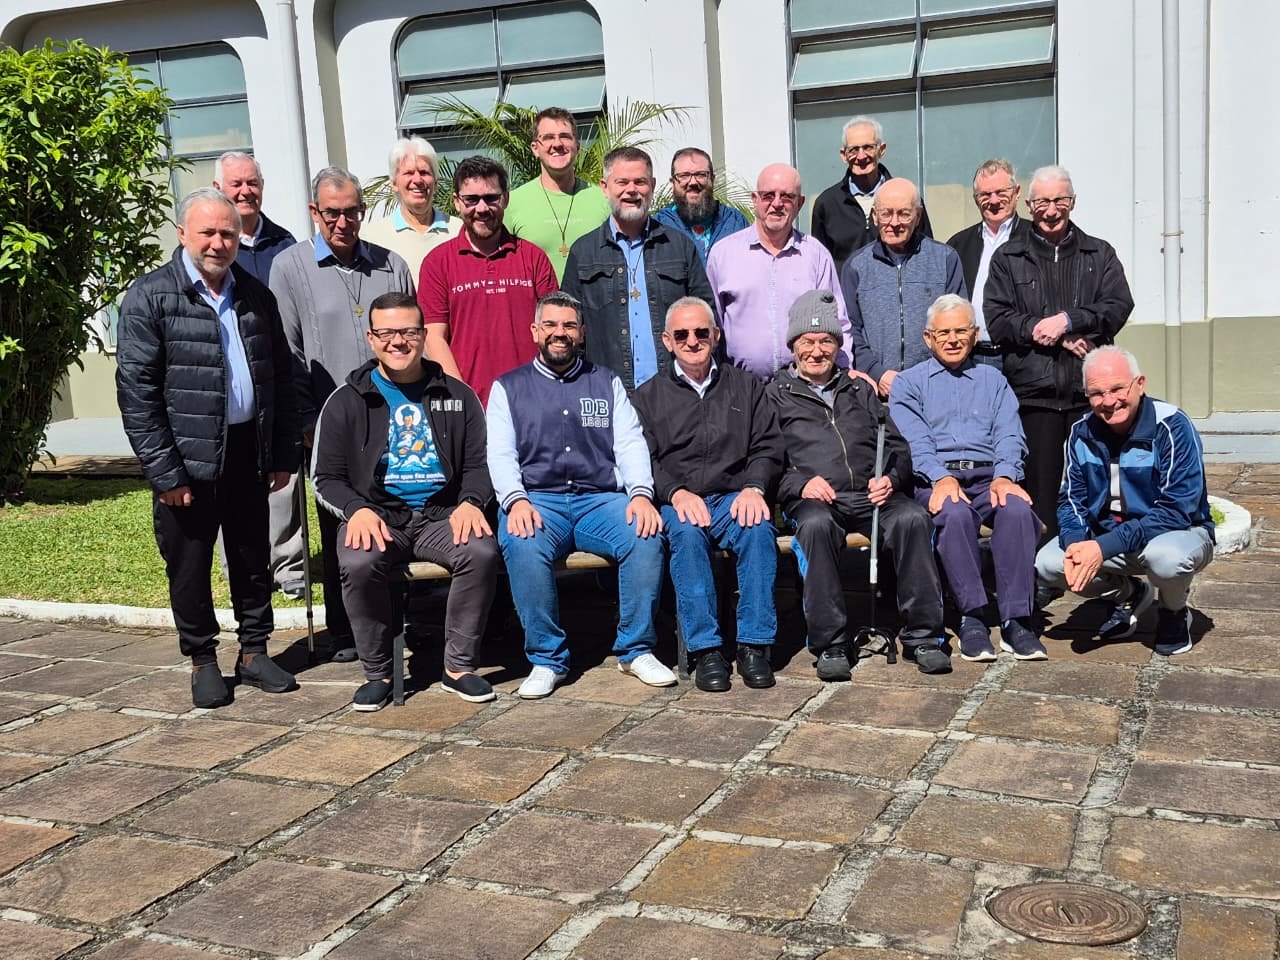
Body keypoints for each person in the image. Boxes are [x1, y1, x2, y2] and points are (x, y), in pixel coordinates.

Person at [116, 187, 300, 708]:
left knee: (251, 555)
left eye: (228, 233)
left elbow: (279, 377)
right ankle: (202, 659)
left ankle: (254, 650)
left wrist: (282, 451)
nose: (219, 242)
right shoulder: (151, 296)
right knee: (190, 563)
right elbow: (137, 393)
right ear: (182, 234)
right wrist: (165, 472)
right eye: (208, 232)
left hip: (248, 450)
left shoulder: (254, 294)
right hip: (186, 458)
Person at [313, 292, 499, 711]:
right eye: (387, 333)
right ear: (371, 338)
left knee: (482, 551)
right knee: (359, 561)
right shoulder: (346, 399)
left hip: (441, 515)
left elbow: (480, 463)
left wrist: (471, 501)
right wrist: (355, 510)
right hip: (378, 516)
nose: (398, 341)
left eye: (409, 332)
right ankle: (377, 672)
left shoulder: (457, 394)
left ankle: (458, 668)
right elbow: (326, 477)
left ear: (423, 335)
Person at [487, 291, 675, 698]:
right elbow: (500, 454)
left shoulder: (606, 382)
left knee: (645, 534)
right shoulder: (508, 387)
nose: (561, 333)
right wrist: (515, 500)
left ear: (582, 332)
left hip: (599, 500)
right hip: (538, 500)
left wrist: (641, 495)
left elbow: (629, 444)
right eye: (551, 325)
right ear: (535, 331)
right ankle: (546, 658)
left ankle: (635, 649)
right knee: (521, 542)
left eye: (569, 325)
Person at [271, 166, 415, 662]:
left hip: (393, 414)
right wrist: (307, 420)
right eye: (332, 213)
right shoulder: (290, 268)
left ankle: (400, 617)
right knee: (340, 521)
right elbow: (287, 352)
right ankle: (347, 630)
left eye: (351, 211)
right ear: (315, 213)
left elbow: (409, 338)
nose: (343, 221)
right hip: (329, 419)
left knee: (396, 509)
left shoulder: (390, 264)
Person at [768, 290, 950, 678]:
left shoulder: (859, 388)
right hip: (818, 500)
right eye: (808, 342)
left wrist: (892, 478)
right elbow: (765, 459)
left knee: (913, 519)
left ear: (837, 345)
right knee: (815, 529)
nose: (817, 351)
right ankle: (830, 643)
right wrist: (799, 485)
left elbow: (898, 447)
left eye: (826, 341)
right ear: (793, 346)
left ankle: (924, 636)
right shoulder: (775, 395)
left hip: (873, 496)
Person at [631, 297, 783, 692]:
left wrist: (754, 487)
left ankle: (754, 645)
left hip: (734, 496)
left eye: (701, 332)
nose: (692, 340)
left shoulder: (746, 387)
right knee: (684, 532)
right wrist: (675, 493)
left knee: (758, 527)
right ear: (667, 341)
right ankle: (706, 649)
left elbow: (767, 446)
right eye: (682, 334)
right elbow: (641, 457)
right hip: (680, 500)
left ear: (716, 335)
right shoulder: (647, 397)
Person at [889, 294, 1044, 662]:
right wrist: (941, 478)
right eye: (943, 333)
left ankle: (1016, 618)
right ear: (928, 338)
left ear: (974, 335)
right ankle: (971, 615)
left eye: (961, 331)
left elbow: (1010, 433)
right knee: (955, 514)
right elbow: (915, 441)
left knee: (1018, 511)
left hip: (990, 475)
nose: (953, 339)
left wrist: (1006, 475)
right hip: (936, 479)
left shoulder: (993, 380)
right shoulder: (909, 384)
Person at [985, 164, 1135, 544]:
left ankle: (1103, 566)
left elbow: (1118, 305)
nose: (1051, 210)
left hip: (1090, 396)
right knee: (1040, 492)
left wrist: (1071, 320)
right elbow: (999, 320)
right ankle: (1045, 569)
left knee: (1098, 488)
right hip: (1033, 396)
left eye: (1060, 201)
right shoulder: (1008, 257)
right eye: (1043, 202)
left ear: (1072, 202)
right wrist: (1049, 333)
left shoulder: (1098, 254)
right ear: (1029, 204)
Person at [1034, 346, 1214, 656]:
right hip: (1107, 537)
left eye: (1118, 388)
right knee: (1049, 564)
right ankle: (1128, 593)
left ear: (1140, 384)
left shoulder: (1172, 426)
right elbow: (1071, 501)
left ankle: (1173, 611)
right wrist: (1078, 544)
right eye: (1096, 393)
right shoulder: (1081, 432)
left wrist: (1101, 548)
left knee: (1167, 559)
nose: (1108, 401)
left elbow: (1176, 510)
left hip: (1175, 533)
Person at [212, 151, 304, 599]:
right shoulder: (211, 245)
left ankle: (288, 563)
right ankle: (239, 564)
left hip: (274, 373)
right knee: (232, 481)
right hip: (229, 380)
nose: (245, 191)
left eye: (252, 183)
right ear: (219, 191)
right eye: (236, 185)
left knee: (281, 477)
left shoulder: (284, 244)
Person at [562, 146, 713, 392]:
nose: (631, 190)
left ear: (652, 185)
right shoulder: (583, 252)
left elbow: (706, 314)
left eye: (640, 182)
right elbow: (569, 327)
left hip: (674, 393)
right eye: (622, 182)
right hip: (607, 392)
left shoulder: (679, 246)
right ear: (604, 186)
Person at [418, 155, 558, 406]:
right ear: (457, 202)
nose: (482, 208)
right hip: (469, 405)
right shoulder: (437, 263)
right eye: (471, 199)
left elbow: (553, 329)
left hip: (533, 402)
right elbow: (433, 337)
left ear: (505, 199)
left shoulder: (533, 258)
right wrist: (463, 399)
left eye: (491, 198)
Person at [707, 163, 852, 381]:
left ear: (800, 203)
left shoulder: (816, 255)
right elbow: (712, 324)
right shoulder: (723, 254)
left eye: (786, 196)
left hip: (803, 388)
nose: (776, 204)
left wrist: (842, 374)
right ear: (755, 200)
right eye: (768, 196)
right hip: (742, 388)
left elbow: (837, 321)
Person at [841, 178, 966, 398]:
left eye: (904, 213)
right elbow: (852, 331)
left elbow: (957, 325)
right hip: (876, 389)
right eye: (886, 213)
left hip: (935, 387)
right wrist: (877, 373)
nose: (895, 222)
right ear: (875, 216)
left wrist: (930, 374)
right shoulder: (856, 266)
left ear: (918, 216)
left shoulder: (945, 259)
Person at [811, 116, 933, 272]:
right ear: (843, 155)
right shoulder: (827, 204)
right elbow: (820, 264)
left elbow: (928, 252)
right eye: (854, 150)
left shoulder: (907, 198)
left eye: (868, 147)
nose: (861, 156)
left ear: (881, 150)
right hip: (848, 294)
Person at [504, 107, 610, 282]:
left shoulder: (603, 199)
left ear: (577, 146)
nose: (557, 144)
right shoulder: (512, 203)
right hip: (536, 308)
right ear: (535, 148)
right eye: (548, 137)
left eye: (565, 136)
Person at [944, 158, 1030, 370]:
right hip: (971, 357)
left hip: (1022, 356)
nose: (993, 200)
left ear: (1017, 192)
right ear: (975, 199)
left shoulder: (1035, 239)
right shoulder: (958, 245)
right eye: (985, 194)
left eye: (1001, 192)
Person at [361, 137, 462, 279]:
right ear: (394, 183)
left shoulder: (460, 231)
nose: (417, 180)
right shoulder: (372, 237)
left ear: (436, 182)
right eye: (408, 173)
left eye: (424, 172)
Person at [653, 147, 748, 264]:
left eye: (701, 175)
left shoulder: (736, 222)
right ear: (673, 183)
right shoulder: (658, 227)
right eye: (684, 175)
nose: (693, 182)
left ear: (712, 180)